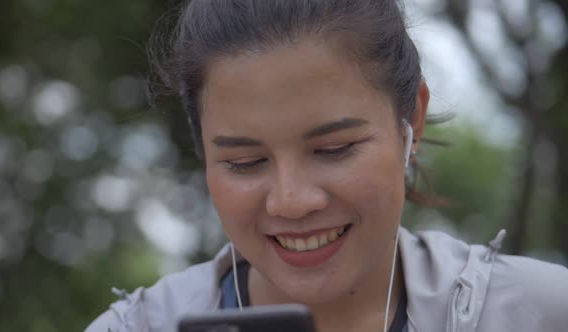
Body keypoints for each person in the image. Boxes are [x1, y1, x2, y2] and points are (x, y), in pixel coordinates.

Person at [86, 1, 568, 331]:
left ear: (411, 119)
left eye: (334, 149)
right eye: (245, 162)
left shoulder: (540, 313)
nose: (291, 201)